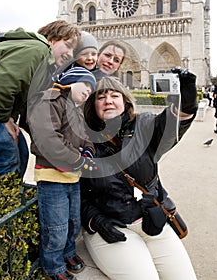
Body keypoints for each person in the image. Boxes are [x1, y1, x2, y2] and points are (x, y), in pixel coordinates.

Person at [80, 70, 198, 280]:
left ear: (125, 102)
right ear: (93, 105)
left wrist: (186, 103)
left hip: (151, 220)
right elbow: (74, 192)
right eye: (101, 96)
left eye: (115, 95)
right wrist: (95, 220)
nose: (108, 101)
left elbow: (171, 124)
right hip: (111, 226)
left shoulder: (144, 126)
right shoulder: (82, 140)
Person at [28, 67, 97, 280]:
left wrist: (88, 150)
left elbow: (84, 136)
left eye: (91, 88)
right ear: (69, 82)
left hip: (71, 176)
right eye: (85, 84)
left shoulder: (74, 109)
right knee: (55, 228)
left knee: (72, 222)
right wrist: (78, 160)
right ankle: (53, 268)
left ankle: (67, 253)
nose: (88, 91)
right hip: (52, 177)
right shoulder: (49, 100)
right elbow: (48, 139)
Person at [0, 20, 81, 177]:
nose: (71, 55)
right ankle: (3, 198)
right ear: (51, 39)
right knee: (6, 156)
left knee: (21, 152)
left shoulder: (45, 63)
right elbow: (2, 85)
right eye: (68, 45)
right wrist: (3, 120)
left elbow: (19, 95)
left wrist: (10, 118)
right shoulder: (38, 50)